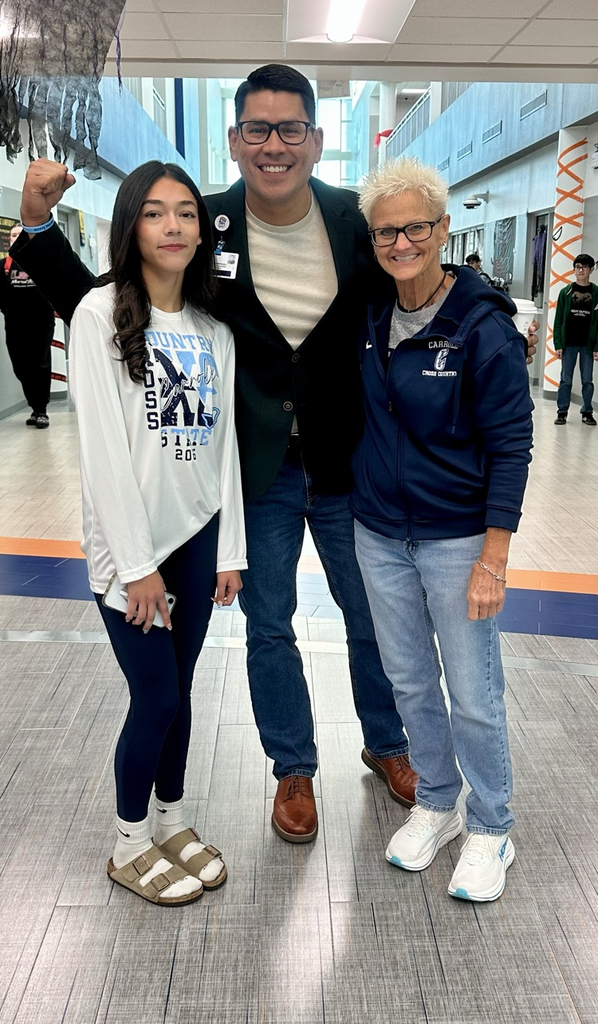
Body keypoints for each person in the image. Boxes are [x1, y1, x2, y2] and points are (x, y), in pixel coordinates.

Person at [11, 64, 539, 845]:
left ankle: (388, 744)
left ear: (317, 141)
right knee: (269, 625)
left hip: (345, 461)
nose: (274, 145)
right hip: (255, 470)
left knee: (372, 618)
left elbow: (416, 269)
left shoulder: (356, 221)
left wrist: (485, 305)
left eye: (291, 129)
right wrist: (38, 228)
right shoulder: (203, 223)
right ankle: (292, 767)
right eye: (256, 130)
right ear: (234, 140)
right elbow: (115, 288)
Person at [351, 157, 533, 902]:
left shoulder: (482, 327)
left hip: (459, 538)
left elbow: (512, 444)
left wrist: (495, 555)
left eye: (414, 227)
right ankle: (438, 802)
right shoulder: (370, 315)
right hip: (380, 533)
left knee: (473, 691)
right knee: (409, 683)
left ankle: (493, 826)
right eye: (387, 231)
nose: (401, 243)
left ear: (441, 228)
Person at [68, 160, 246, 904]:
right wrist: (137, 566)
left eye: (185, 213)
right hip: (131, 551)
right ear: (130, 225)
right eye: (154, 212)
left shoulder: (212, 330)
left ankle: (172, 824)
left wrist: (229, 548)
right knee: (157, 699)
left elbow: (224, 446)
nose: (173, 226)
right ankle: (128, 843)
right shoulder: (98, 312)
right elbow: (104, 453)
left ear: (202, 231)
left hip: (199, 538)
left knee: (183, 690)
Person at [0, 223, 55, 428]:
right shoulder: (4, 265)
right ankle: (34, 405)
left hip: (41, 322)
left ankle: (41, 410)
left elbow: (54, 287)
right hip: (14, 324)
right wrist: (9, 311)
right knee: (20, 366)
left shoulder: (41, 261)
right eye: (12, 235)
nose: (15, 238)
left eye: (19, 235)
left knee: (39, 363)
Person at [553, 253, 598, 427]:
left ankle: (587, 411)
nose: (581, 270)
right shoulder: (566, 292)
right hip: (569, 343)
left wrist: (596, 346)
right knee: (565, 378)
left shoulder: (596, 292)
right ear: (574, 270)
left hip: (587, 344)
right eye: (578, 267)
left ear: (591, 269)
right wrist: (558, 344)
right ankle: (562, 411)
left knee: (587, 379)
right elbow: (558, 321)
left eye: (585, 267)